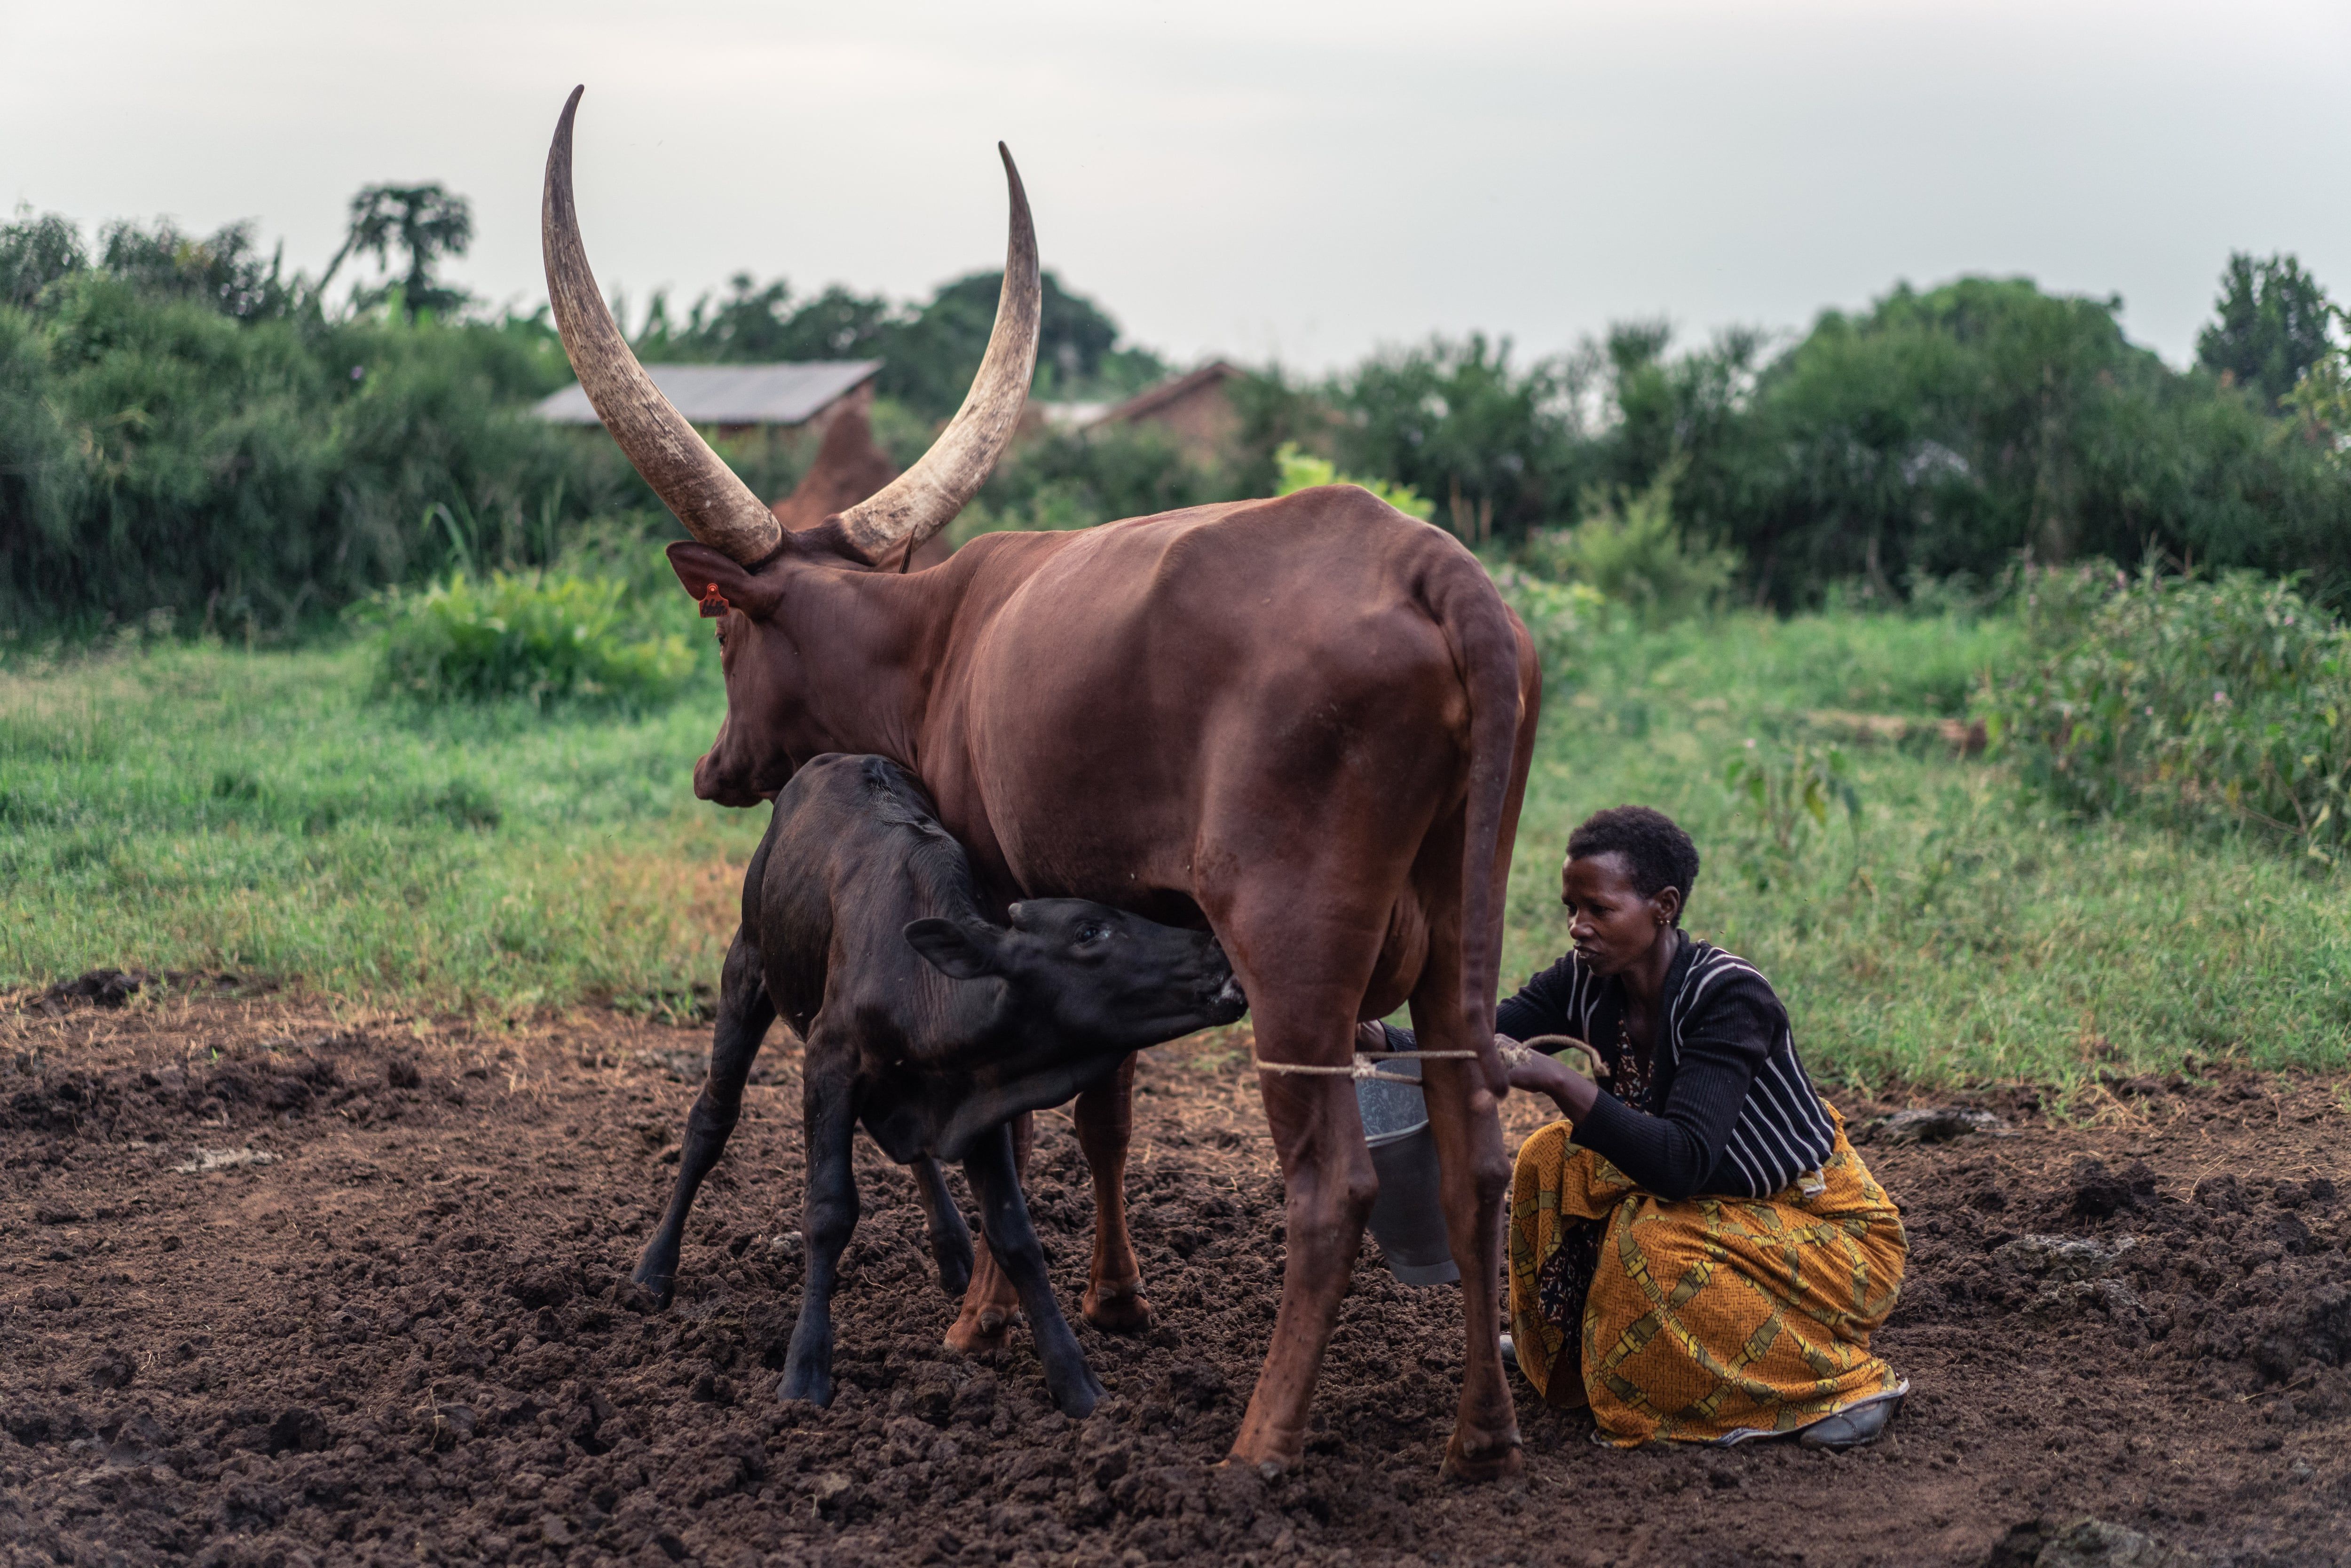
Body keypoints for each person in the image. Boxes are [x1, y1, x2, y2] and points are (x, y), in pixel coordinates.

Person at [1364, 805, 1907, 1449]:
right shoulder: (1589, 981)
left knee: (1651, 1244)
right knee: (1549, 1158)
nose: (1578, 928)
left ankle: (1843, 1385)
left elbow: (1681, 1164)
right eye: (1572, 908)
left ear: (1663, 906)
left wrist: (1560, 1079)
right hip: (1721, 1203)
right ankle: (1577, 1345)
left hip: (1824, 1231)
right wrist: (1379, 1038)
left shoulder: (1728, 998)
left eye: (1598, 909)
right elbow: (1479, 1040)